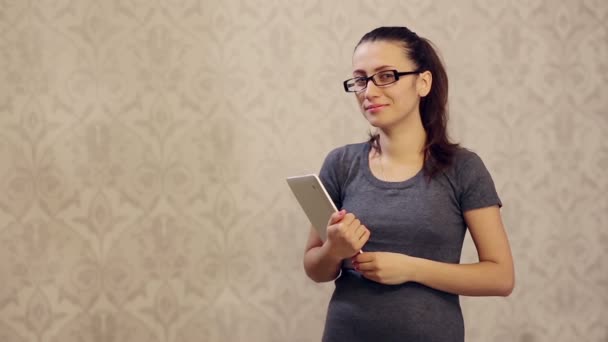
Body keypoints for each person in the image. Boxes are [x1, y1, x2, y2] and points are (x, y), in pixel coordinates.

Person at [302, 26, 515, 342]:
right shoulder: (340, 164)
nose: (369, 91)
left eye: (386, 75)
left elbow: (500, 277)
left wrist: (410, 269)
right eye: (360, 79)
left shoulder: (464, 168)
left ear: (423, 82)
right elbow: (315, 269)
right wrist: (335, 249)